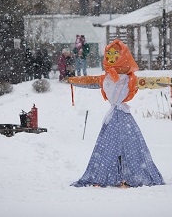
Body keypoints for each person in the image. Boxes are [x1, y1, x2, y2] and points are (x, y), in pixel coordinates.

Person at [69, 39, 165, 188]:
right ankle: (109, 174)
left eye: (116, 54)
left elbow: (148, 82)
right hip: (114, 116)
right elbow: (90, 81)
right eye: (110, 54)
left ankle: (130, 174)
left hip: (122, 116)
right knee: (110, 145)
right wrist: (72, 80)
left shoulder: (129, 79)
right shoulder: (106, 78)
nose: (112, 58)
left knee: (130, 145)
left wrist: (167, 82)